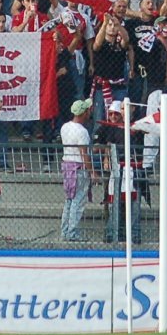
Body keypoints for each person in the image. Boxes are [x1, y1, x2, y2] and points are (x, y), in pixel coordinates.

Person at [60, 98, 94, 242]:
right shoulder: (82, 132)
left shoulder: (65, 127)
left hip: (67, 164)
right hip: (78, 166)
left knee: (69, 200)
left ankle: (65, 231)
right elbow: (83, 153)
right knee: (78, 201)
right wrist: (92, 171)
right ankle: (72, 232)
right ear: (84, 113)